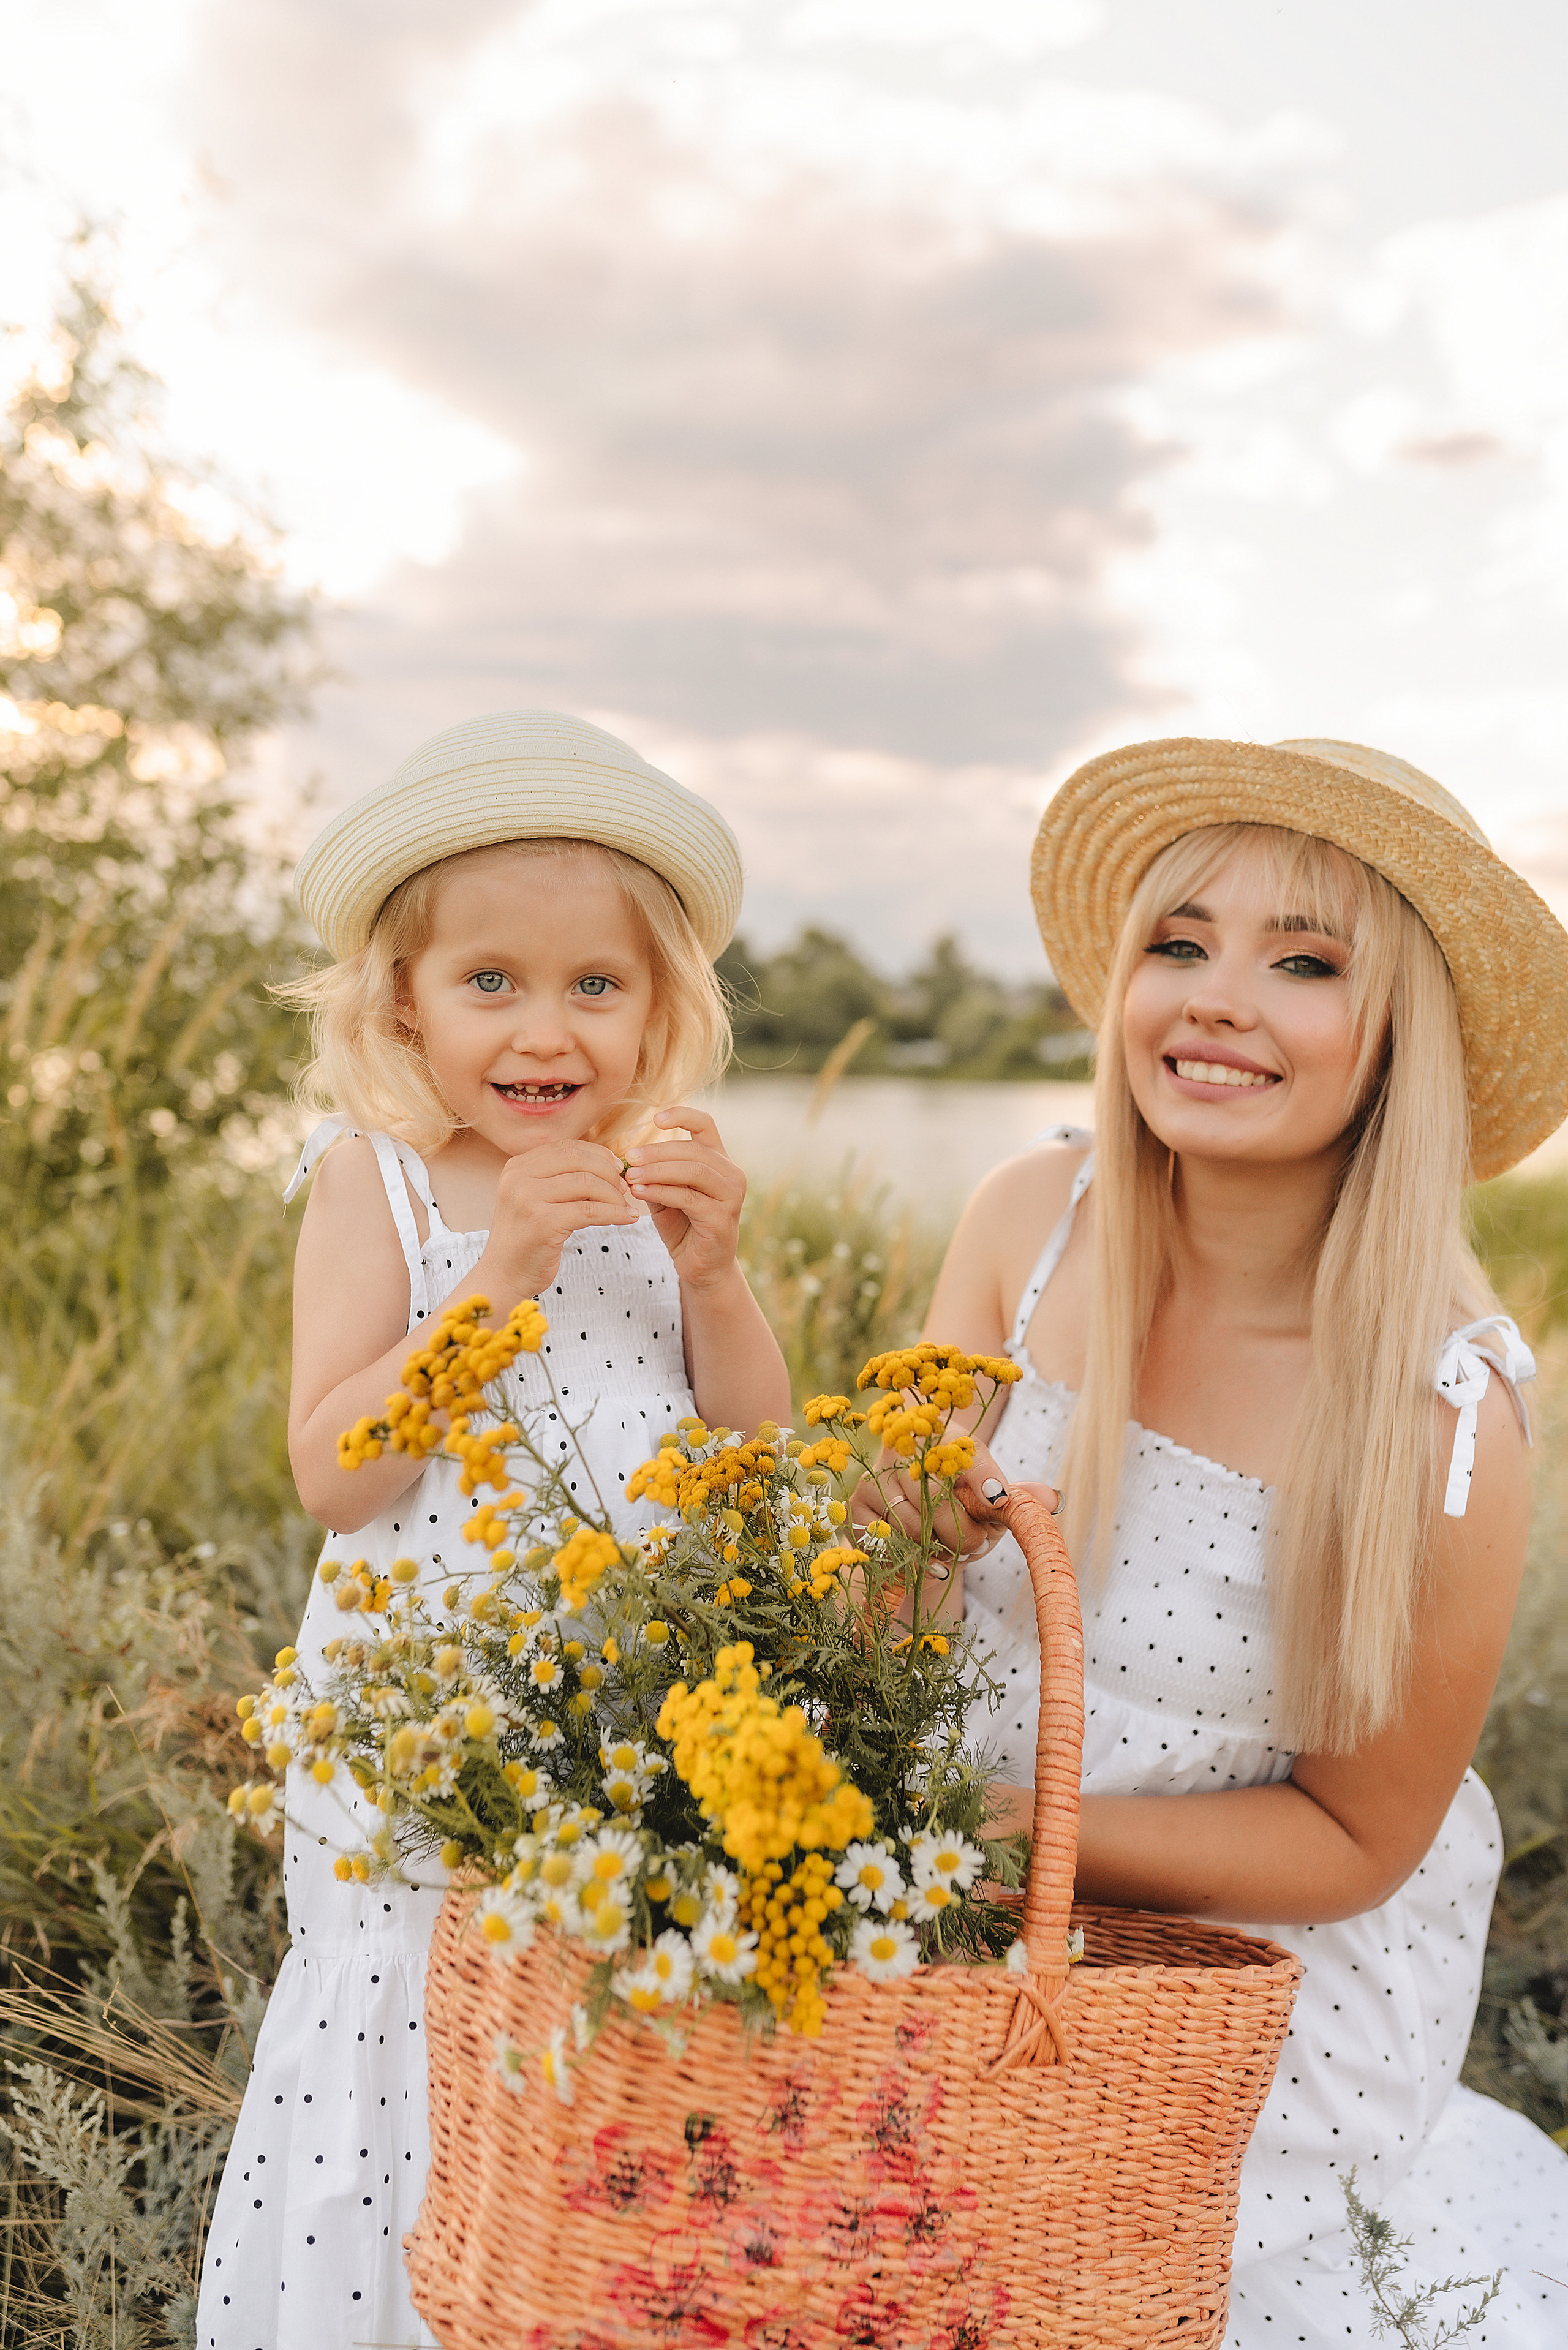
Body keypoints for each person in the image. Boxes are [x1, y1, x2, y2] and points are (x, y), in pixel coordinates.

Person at [926, 739, 1568, 2346]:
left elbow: (1357, 1839)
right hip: (948, 1894)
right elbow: (893, 1599)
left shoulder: (1442, 1409)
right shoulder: (1027, 1225)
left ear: (1397, 1041)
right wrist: (888, 1559)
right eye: (1180, 942)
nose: (1217, 996)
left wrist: (1017, 1834)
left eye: (1303, 963)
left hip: (1238, 1985)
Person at [196, 710, 790, 2350]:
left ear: (663, 1005)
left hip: (628, 1725)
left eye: (597, 987)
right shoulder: (375, 1183)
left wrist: (721, 1275)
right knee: (408, 2039)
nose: (549, 1031)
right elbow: (339, 1468)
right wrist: (499, 1277)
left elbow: (757, 1456)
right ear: (406, 1000)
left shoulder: (660, 1198)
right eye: (492, 985)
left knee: (603, 2047)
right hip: (417, 1726)